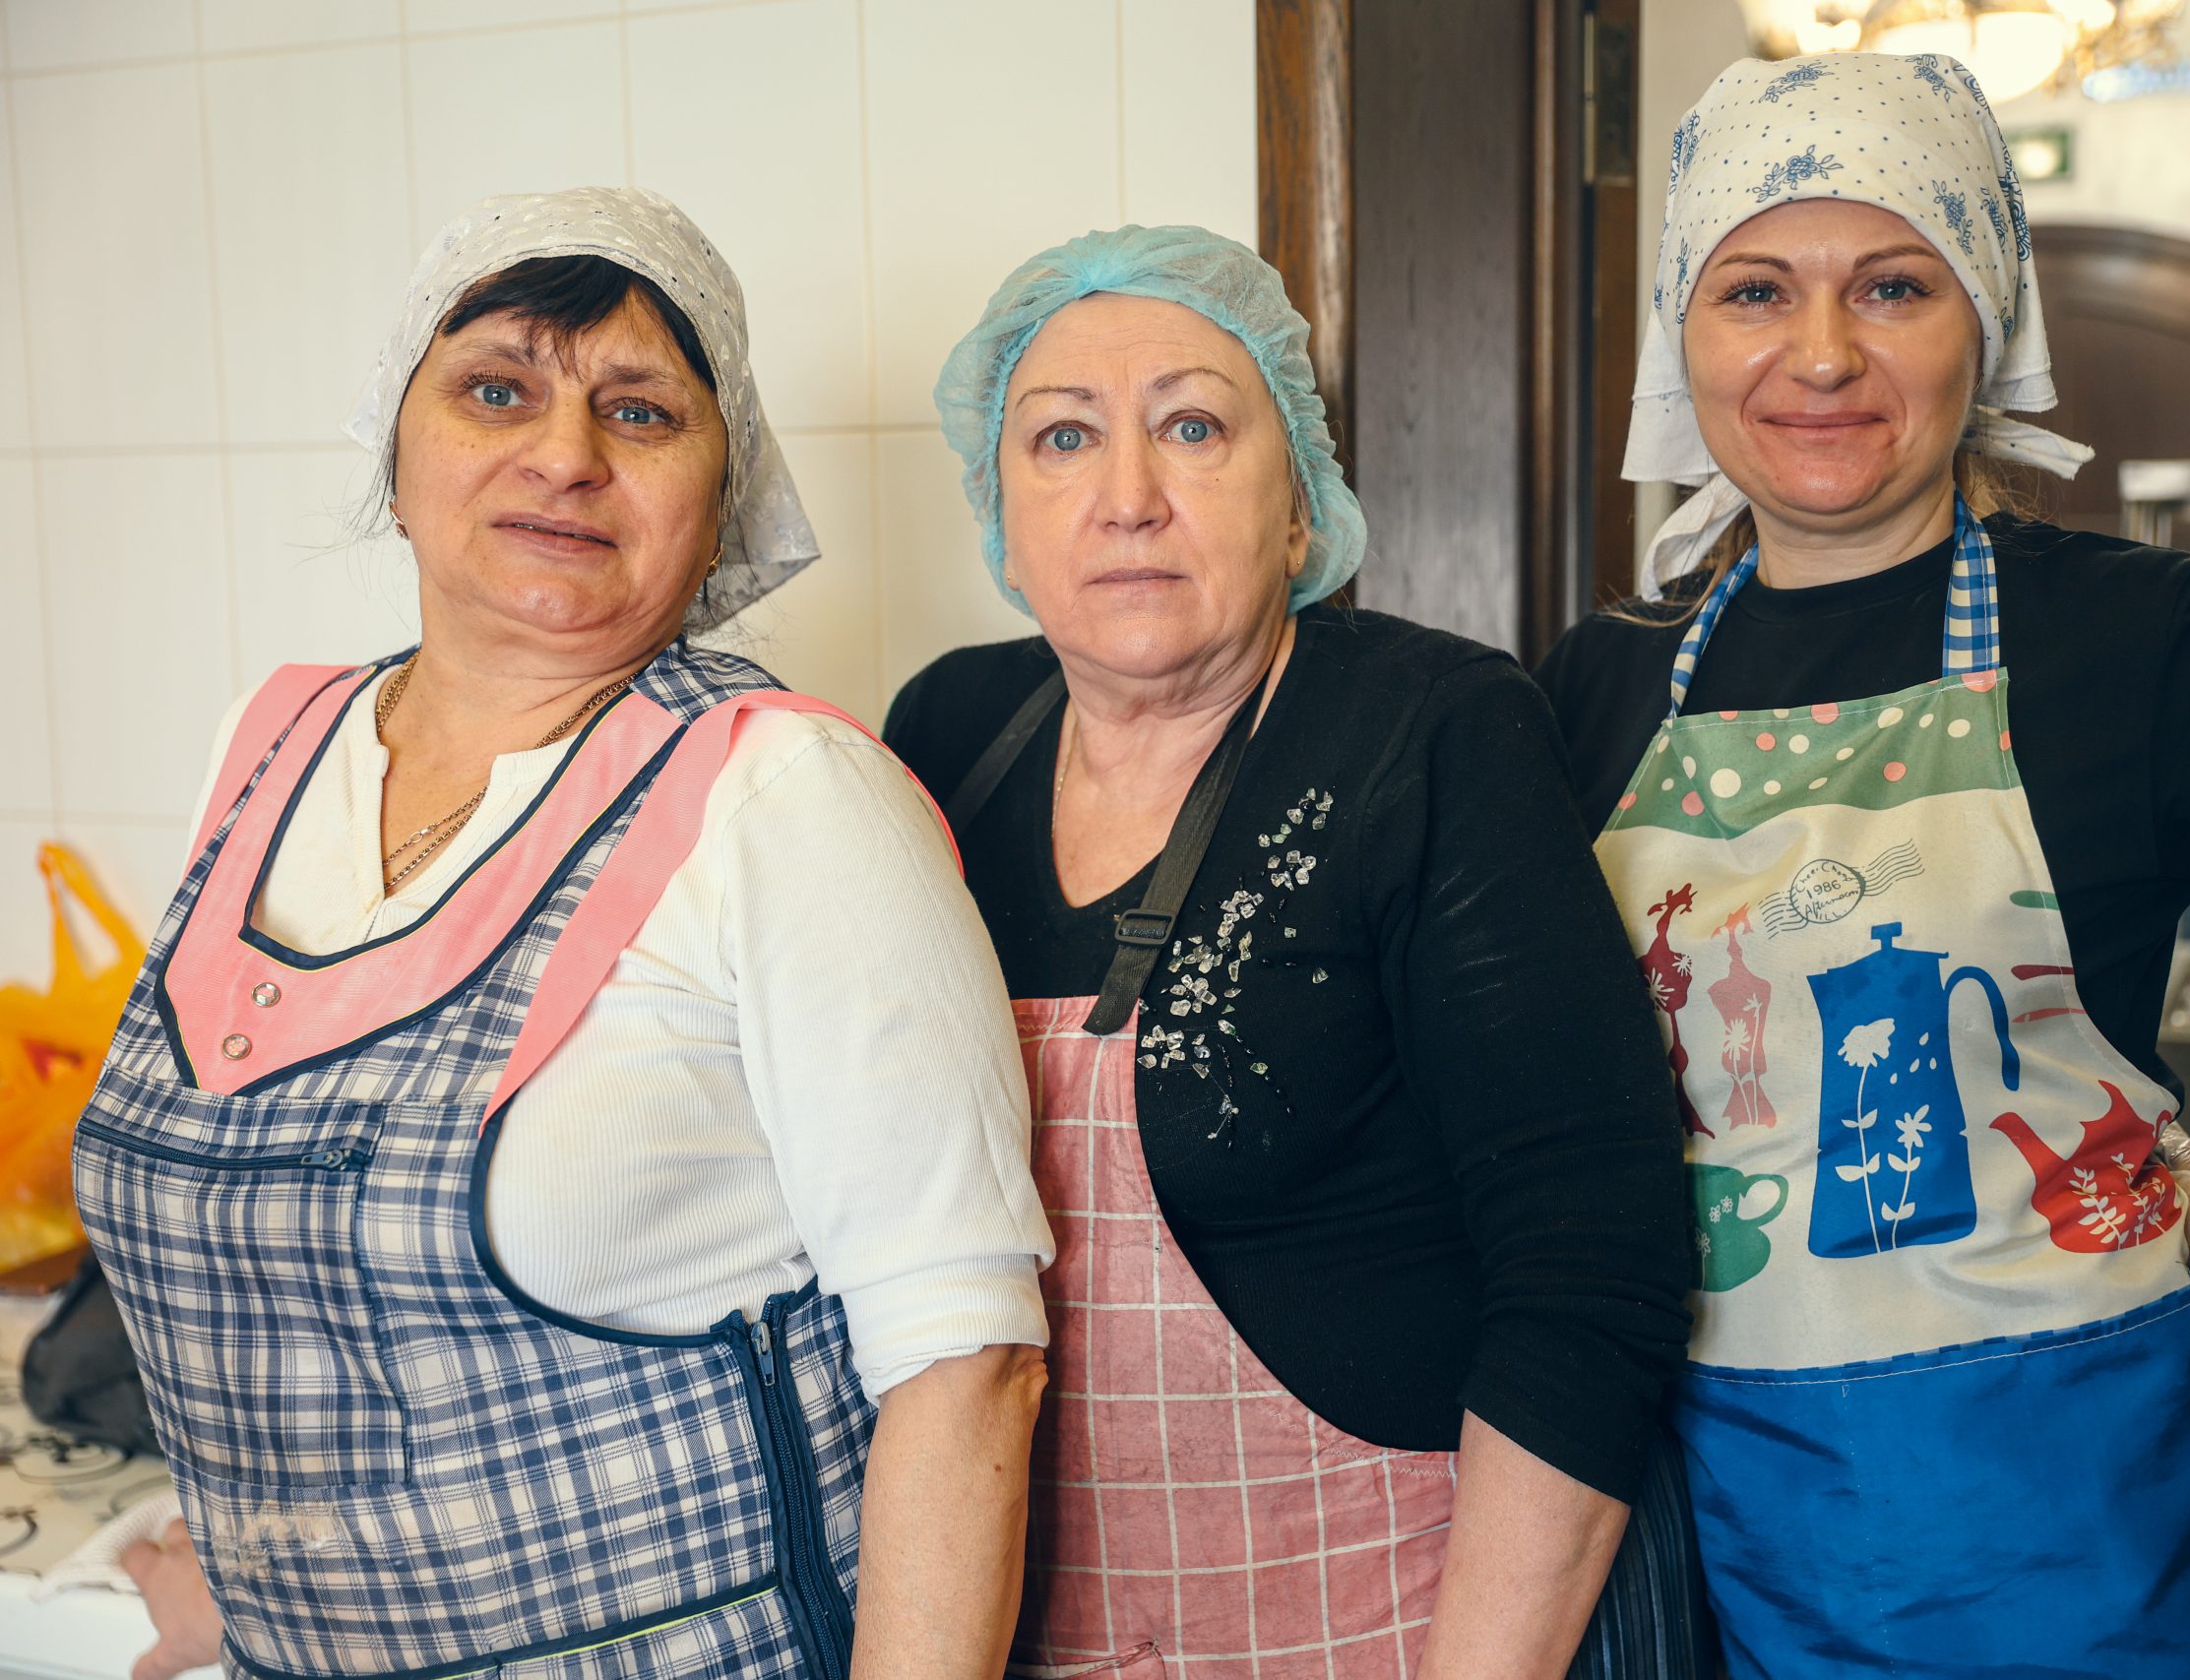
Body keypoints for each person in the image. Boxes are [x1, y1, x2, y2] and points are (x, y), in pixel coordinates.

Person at [1535, 51, 2190, 1678]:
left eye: (1894, 285)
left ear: (1984, 322)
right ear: (1681, 335)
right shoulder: (1598, 685)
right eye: (1755, 289)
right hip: (1704, 1568)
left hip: (2086, 1562)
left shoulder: (2159, 649)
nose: (1822, 353)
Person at [73, 187, 1053, 1680]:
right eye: (495, 390)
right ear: (396, 451)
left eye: (641, 412)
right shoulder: (268, 743)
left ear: (724, 504)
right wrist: (248, 1572)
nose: (565, 455)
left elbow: (968, 1364)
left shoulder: (786, 795)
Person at [885, 226, 1712, 1678]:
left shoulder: (1431, 729)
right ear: (998, 506)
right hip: (1039, 1621)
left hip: (1407, 1613)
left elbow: (1591, 1261)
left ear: (1301, 500)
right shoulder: (949, 736)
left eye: (1193, 428)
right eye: (1063, 437)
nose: (1127, 497)